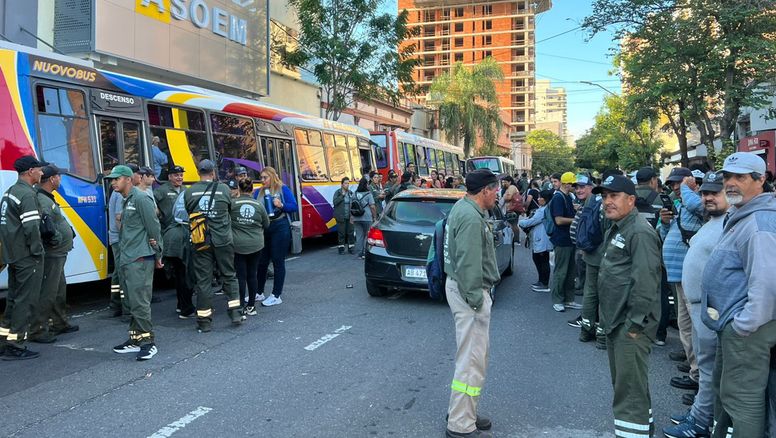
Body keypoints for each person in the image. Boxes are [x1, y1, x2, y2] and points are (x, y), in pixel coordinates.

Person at [702, 152, 776, 438]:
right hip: (735, 326)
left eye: (740, 177)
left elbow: (768, 283)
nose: (730, 183)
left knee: (742, 400)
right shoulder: (745, 214)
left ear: (761, 180)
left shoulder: (759, 223)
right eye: (727, 177)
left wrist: (743, 325)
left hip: (748, 330)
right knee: (728, 395)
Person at [595, 174, 662, 438]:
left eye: (614, 196)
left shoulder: (640, 232)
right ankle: (643, 429)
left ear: (631, 200)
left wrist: (634, 325)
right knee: (630, 385)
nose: (607, 202)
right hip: (617, 321)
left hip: (629, 325)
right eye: (604, 197)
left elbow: (645, 284)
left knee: (629, 393)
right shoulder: (619, 226)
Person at [663, 171, 728, 438]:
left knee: (712, 368)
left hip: (713, 309)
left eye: (714, 193)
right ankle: (700, 416)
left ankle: (702, 423)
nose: (707, 198)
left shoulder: (733, 223)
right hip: (701, 306)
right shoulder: (715, 220)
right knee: (706, 365)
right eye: (705, 193)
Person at [443, 169, 500, 438]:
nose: (497, 195)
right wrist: (478, 300)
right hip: (470, 293)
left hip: (464, 290)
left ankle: (465, 412)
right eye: (496, 190)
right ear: (485, 191)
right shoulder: (470, 216)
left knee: (473, 358)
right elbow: (468, 263)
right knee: (471, 360)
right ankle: (460, 424)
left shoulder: (464, 208)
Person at [108, 165, 163, 361]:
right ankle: (135, 339)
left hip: (139, 258)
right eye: (112, 179)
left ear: (129, 179)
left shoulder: (141, 198)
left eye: (117, 179)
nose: (113, 182)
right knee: (132, 301)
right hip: (128, 257)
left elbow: (153, 228)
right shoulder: (126, 199)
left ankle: (149, 343)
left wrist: (158, 255)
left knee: (139, 302)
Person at [183, 159, 245, 331]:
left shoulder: (190, 191)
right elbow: (230, 209)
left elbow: (188, 212)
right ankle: (235, 313)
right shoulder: (224, 189)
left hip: (201, 240)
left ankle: (204, 322)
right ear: (213, 173)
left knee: (203, 280)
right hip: (223, 240)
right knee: (229, 275)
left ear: (198, 172)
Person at [659, 167, 704, 394]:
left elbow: (699, 207)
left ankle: (698, 376)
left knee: (695, 327)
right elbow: (665, 236)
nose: (675, 187)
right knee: (685, 325)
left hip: (690, 274)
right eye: (673, 184)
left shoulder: (696, 200)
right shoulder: (679, 205)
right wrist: (665, 223)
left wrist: (688, 189)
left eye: (679, 183)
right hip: (677, 273)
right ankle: (693, 367)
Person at [0, 156, 47, 360]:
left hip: (14, 255)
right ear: (30, 171)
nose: (42, 173)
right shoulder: (27, 194)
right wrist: (37, 251)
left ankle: (5, 339)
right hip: (27, 255)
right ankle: (16, 345)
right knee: (25, 300)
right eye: (39, 170)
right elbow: (31, 228)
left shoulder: (10, 192)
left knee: (13, 298)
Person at [29, 165, 78, 344]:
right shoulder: (42, 199)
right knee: (49, 292)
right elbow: (43, 226)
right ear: (52, 179)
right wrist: (57, 238)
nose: (60, 180)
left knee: (58, 289)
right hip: (52, 253)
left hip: (58, 253)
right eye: (59, 176)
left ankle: (60, 322)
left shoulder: (47, 197)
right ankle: (37, 330)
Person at [634, 166, 671, 347]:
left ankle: (636, 328)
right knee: (659, 293)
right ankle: (659, 333)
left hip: (633, 250)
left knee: (634, 288)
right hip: (658, 251)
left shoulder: (628, 197)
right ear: (653, 180)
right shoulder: (661, 199)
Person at [154, 165, 194, 318]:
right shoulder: (162, 191)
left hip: (186, 233)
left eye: (181, 175)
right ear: (169, 176)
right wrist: (159, 216)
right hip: (171, 235)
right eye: (176, 175)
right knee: (182, 272)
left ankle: (181, 304)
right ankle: (185, 307)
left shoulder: (186, 190)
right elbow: (151, 205)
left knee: (181, 274)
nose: (179, 177)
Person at [256, 166, 298, 307]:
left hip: (280, 227)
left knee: (277, 261)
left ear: (272, 177)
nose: (262, 180)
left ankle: (276, 295)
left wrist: (281, 205)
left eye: (265, 177)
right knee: (262, 262)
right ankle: (259, 292)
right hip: (265, 228)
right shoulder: (258, 192)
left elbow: (294, 206)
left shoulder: (282, 189)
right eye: (261, 177)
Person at [231, 178, 269, 316]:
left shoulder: (232, 204)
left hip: (238, 245)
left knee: (241, 276)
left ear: (239, 189)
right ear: (252, 190)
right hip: (256, 244)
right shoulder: (258, 205)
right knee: (252, 275)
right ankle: (251, 306)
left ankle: (240, 306)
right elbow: (266, 224)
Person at [548, 172, 582, 312]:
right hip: (562, 240)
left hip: (570, 239)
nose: (575, 187)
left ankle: (569, 299)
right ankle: (558, 300)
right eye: (573, 185)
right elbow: (559, 220)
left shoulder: (567, 196)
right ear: (567, 184)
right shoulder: (558, 198)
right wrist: (577, 220)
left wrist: (574, 208)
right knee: (561, 271)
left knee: (571, 272)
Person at [519, 190, 554, 293]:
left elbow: (531, 221)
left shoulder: (543, 210)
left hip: (542, 238)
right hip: (541, 238)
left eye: (540, 197)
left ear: (546, 199)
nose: (538, 199)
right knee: (539, 259)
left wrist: (521, 222)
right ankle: (541, 281)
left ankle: (544, 283)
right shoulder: (544, 209)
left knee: (542, 260)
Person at [352, 177, 377, 259]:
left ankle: (360, 253)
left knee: (359, 236)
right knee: (367, 235)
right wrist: (375, 217)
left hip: (356, 218)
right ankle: (366, 253)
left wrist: (351, 217)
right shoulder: (368, 194)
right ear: (366, 184)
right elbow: (372, 206)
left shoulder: (354, 194)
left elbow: (351, 206)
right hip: (367, 217)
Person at [333, 177, 355, 254]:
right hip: (340, 216)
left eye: (348, 183)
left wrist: (353, 215)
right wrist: (342, 196)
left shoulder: (350, 193)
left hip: (350, 216)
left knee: (351, 232)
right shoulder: (338, 192)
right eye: (345, 183)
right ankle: (341, 248)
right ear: (342, 184)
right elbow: (335, 202)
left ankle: (351, 248)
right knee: (341, 233)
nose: (347, 185)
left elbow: (354, 204)